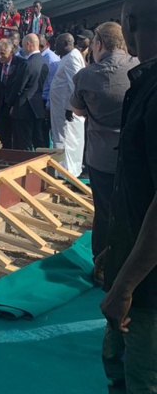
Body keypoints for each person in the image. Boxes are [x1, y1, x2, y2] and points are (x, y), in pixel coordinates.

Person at [64, 0, 157, 394]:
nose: (132, 34)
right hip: (130, 260)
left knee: (151, 387)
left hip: (151, 281)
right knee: (120, 367)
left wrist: (125, 283)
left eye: (138, 19)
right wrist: (111, 250)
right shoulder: (145, 79)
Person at [70, 23, 138, 259]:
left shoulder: (86, 76)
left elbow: (77, 110)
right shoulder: (140, 66)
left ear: (98, 44)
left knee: (105, 213)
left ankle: (102, 264)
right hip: (135, 154)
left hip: (102, 157)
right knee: (134, 209)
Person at [49, 33, 86, 176]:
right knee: (62, 139)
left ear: (66, 44)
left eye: (57, 44)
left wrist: (70, 108)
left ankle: (68, 173)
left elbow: (75, 85)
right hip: (60, 109)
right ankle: (63, 170)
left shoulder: (72, 58)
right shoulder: (67, 57)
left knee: (68, 141)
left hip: (67, 111)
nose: (55, 47)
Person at [0, 39, 26, 148]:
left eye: (2, 53)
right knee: (2, 134)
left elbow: (22, 87)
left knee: (16, 137)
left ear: (11, 52)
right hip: (1, 105)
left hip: (15, 106)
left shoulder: (21, 65)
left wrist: (15, 105)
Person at [12, 34, 48, 151]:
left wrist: (10, 103)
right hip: (37, 106)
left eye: (22, 45)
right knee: (38, 140)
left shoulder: (27, 64)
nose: (22, 48)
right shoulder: (44, 61)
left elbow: (18, 87)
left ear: (28, 44)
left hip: (23, 107)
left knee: (24, 142)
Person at [39, 34, 60, 147]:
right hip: (40, 99)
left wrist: (48, 105)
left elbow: (53, 85)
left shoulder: (51, 60)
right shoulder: (41, 57)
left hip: (46, 101)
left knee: (45, 134)